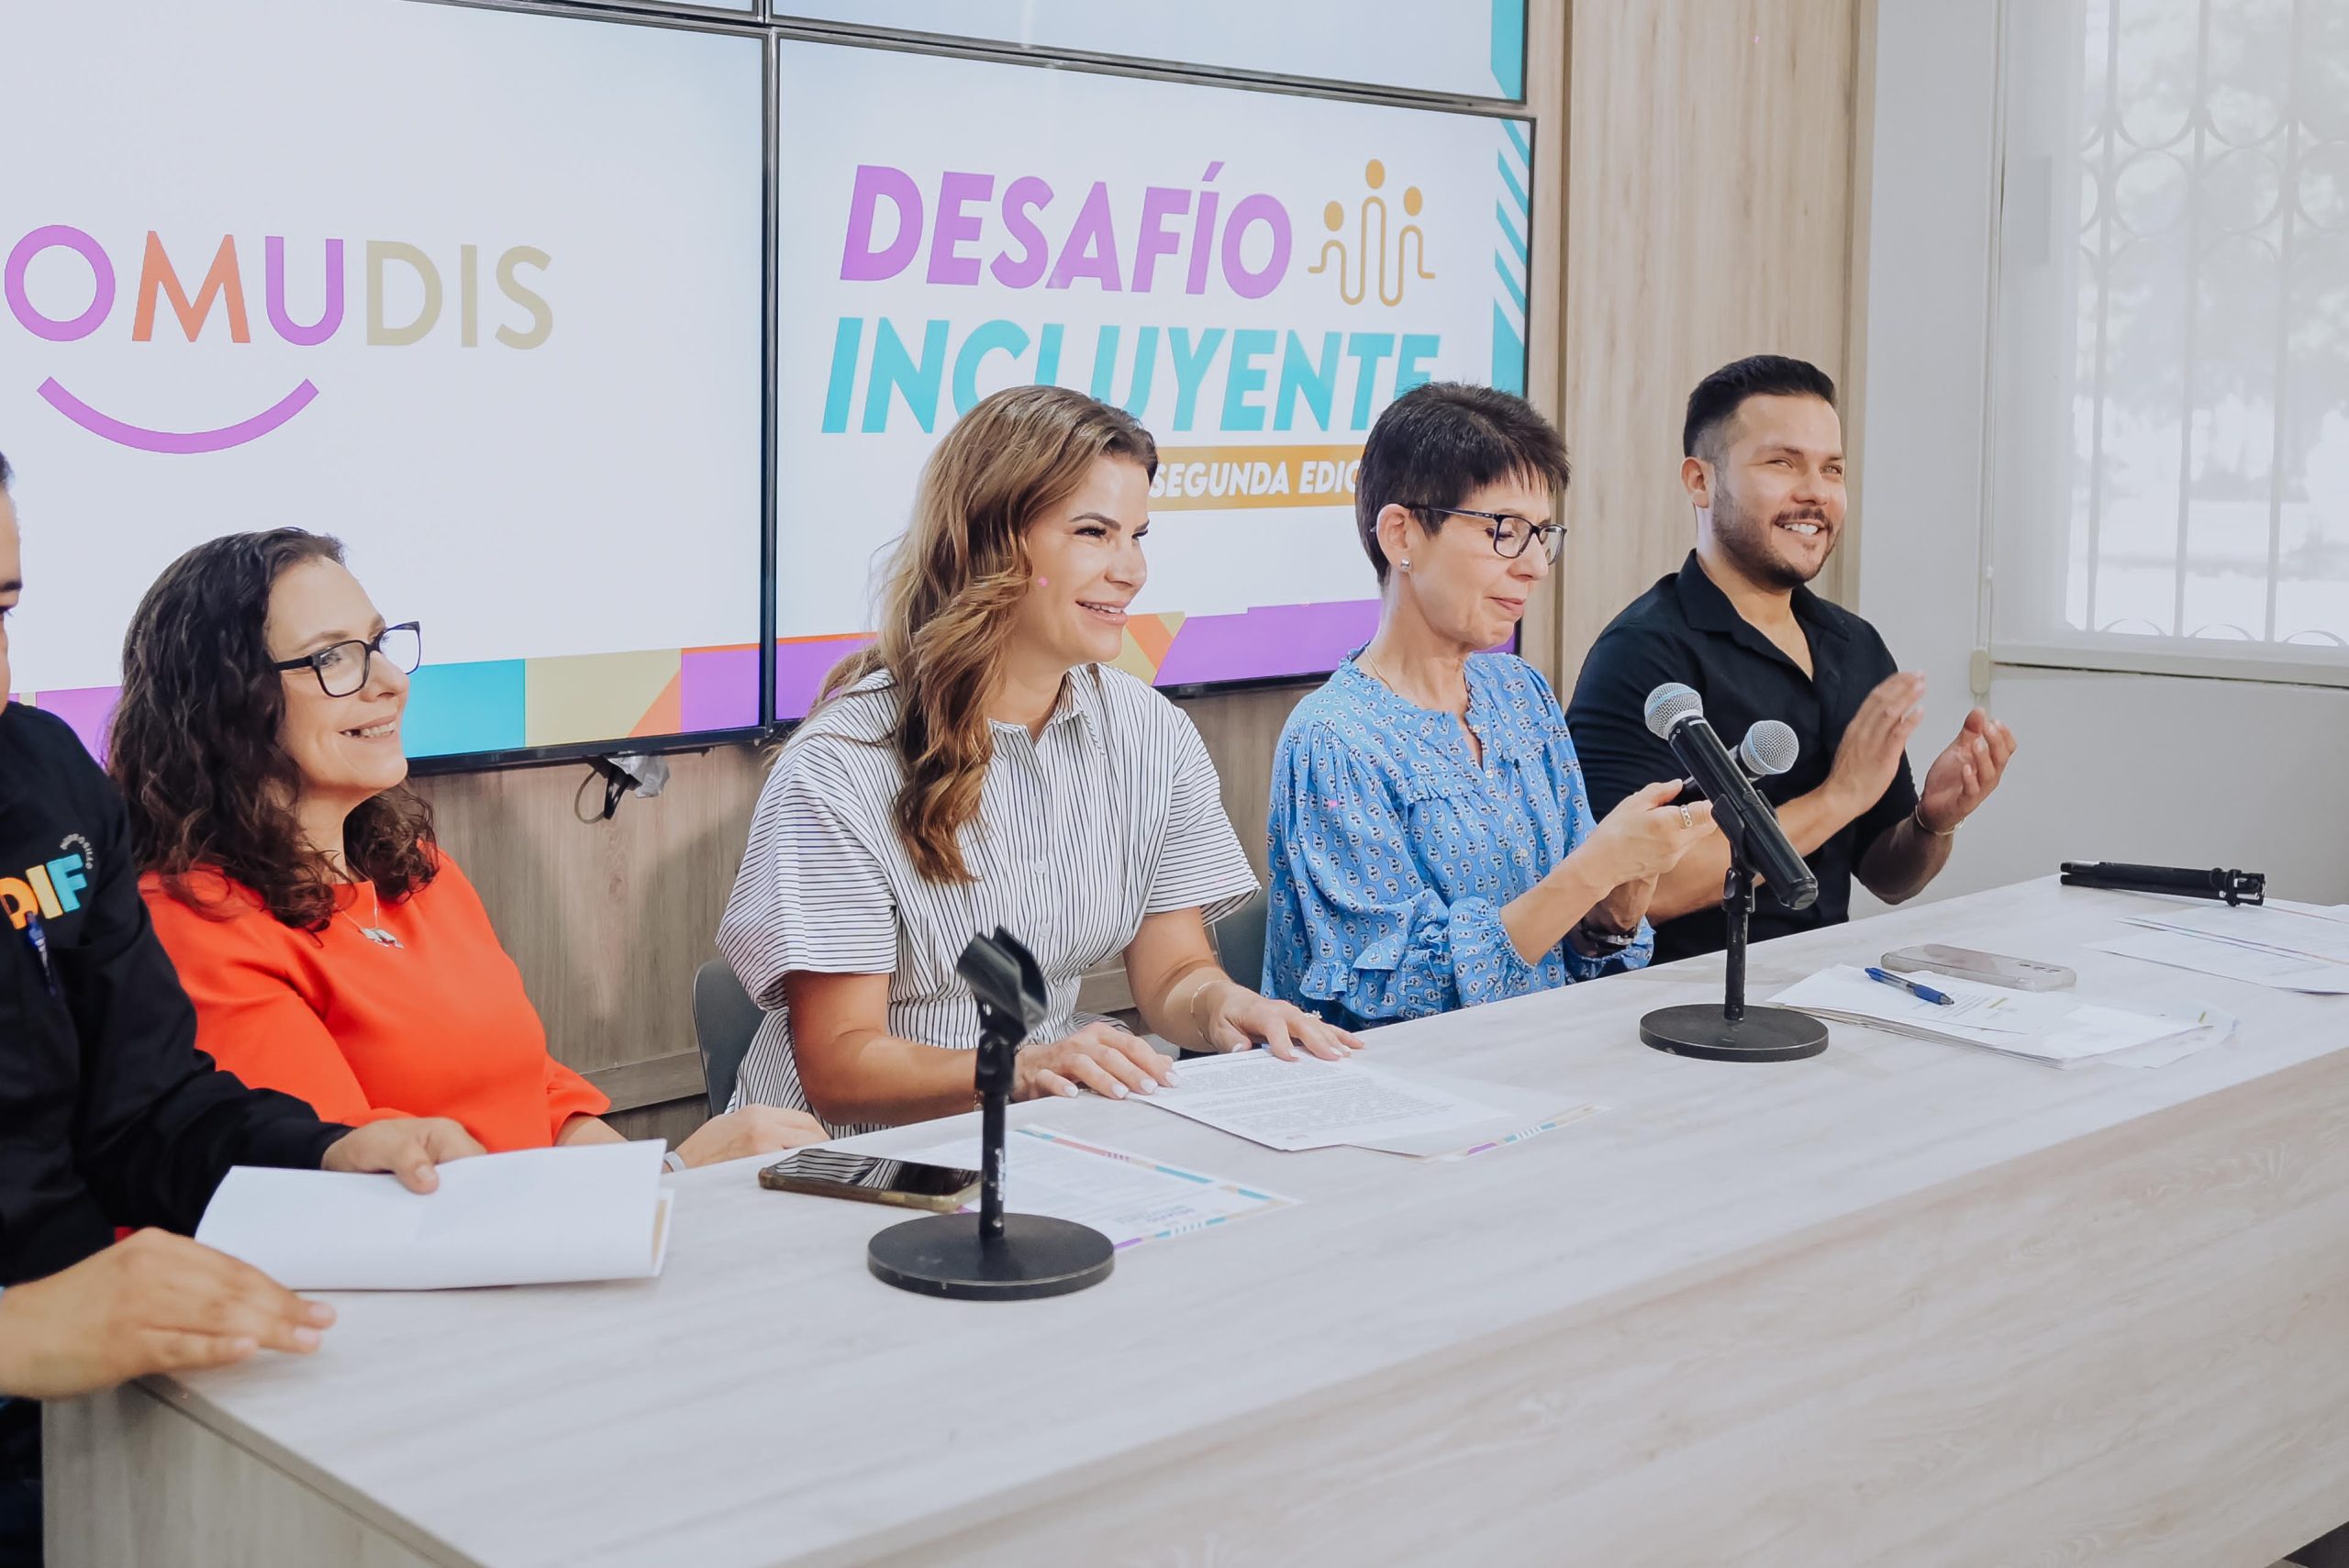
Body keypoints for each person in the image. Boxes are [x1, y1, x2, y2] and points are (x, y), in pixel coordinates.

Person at [0, 450, 482, 1566]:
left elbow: (147, 1110)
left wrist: (327, 1150)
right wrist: (16, 1329)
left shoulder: (45, 781)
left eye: (5, 608)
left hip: (97, 1412)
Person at [720, 384, 1359, 1133]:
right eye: (1093, 532)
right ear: (989, 542)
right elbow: (840, 1066)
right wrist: (1018, 1069)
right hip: (856, 1163)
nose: (1132, 570)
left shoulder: (1152, 735)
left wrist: (1226, 1005)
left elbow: (1173, 973)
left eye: (1137, 535)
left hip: (1035, 1138)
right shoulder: (839, 766)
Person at [107, 529, 826, 1166]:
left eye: (379, 645)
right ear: (223, 702)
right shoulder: (193, 922)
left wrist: (654, 1185)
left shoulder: (416, 869)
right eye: (333, 658)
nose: (390, 682)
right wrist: (676, 1177)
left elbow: (538, 1090)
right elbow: (353, 1182)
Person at [1261, 384, 1715, 1028]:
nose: (1535, 566)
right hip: (1391, 1080)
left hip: (1543, 1055)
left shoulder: (1521, 694)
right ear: (1401, 534)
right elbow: (1394, 994)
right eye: (1504, 530)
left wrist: (1620, 900)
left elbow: (1576, 948)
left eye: (1543, 534)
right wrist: (1593, 869)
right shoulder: (1335, 737)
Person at [1565, 355, 2017, 961]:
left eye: (1832, 469)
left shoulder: (1855, 644)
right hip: (1679, 998)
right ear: (1700, 481)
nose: (1815, 492)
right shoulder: (1641, 653)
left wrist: (1933, 823)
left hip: (1826, 982)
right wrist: (1838, 796)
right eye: (1782, 463)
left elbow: (1888, 877)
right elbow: (1626, 892)